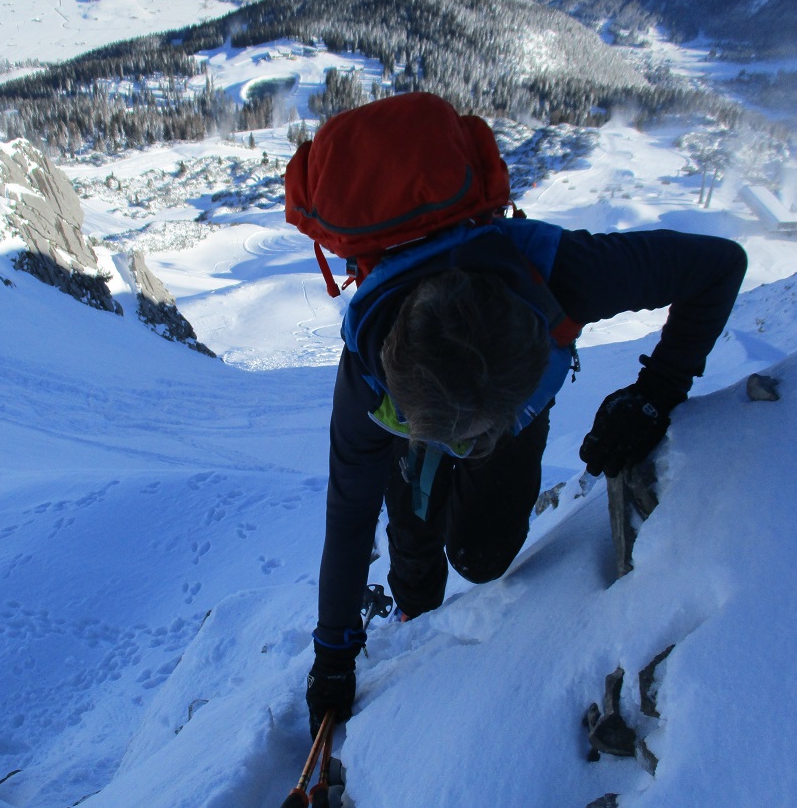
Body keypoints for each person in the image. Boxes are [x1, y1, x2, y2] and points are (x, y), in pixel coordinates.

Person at [284, 92, 748, 737]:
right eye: (460, 439)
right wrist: (333, 655)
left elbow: (720, 266)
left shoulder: (563, 274)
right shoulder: (366, 384)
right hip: (427, 410)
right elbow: (348, 513)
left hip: (493, 400)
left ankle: (437, 486)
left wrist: (657, 392)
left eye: (481, 436)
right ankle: (414, 598)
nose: (471, 446)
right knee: (413, 541)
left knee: (482, 557)